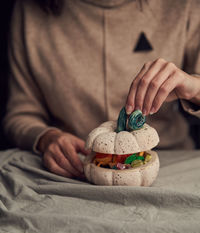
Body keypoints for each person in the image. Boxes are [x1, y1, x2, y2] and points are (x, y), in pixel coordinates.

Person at [3, 0, 200, 179]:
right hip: (73, 170)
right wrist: (48, 138)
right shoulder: (30, 10)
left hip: (170, 163)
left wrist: (193, 88)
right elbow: (20, 114)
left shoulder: (184, 5)